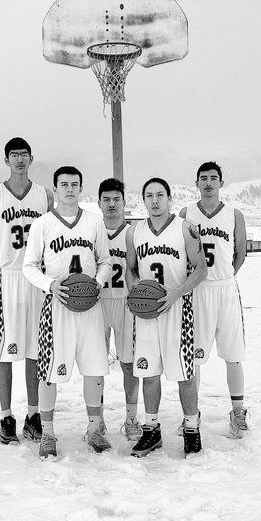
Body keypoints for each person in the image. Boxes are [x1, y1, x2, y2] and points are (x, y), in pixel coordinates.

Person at [22, 166, 112, 458]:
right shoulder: (43, 224)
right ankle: (47, 434)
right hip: (57, 306)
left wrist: (97, 283)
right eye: (64, 184)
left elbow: (105, 262)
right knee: (49, 372)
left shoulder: (95, 222)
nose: (70, 189)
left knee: (94, 370)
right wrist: (51, 285)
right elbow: (29, 266)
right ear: (56, 189)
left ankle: (94, 428)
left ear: (81, 188)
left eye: (75, 184)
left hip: (90, 306)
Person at [125, 177, 207, 457]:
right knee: (148, 374)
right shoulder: (134, 232)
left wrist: (176, 293)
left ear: (169, 198)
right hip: (146, 315)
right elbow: (131, 269)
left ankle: (192, 429)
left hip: (177, 309)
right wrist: (134, 289)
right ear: (143, 200)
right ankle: (151, 430)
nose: (155, 200)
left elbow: (200, 270)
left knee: (184, 375)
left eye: (160, 195)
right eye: (149, 196)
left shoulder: (185, 229)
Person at [0, 137, 54, 445]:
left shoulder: (44, 195)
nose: (20, 159)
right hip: (8, 276)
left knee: (36, 350)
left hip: (37, 277)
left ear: (32, 158)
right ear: (7, 160)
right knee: (6, 350)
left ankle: (33, 415)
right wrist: (0, 266)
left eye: (24, 154)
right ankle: (6, 416)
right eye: (14, 155)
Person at [179, 161, 248, 438]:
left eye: (213, 178)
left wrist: (225, 276)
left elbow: (240, 254)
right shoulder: (186, 214)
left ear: (221, 182)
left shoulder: (235, 214)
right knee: (193, 358)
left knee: (233, 355)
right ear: (196, 183)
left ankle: (239, 411)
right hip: (198, 290)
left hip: (226, 289)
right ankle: (191, 416)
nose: (208, 183)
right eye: (203, 178)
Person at [97, 178, 143, 441]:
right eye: (107, 199)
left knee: (129, 365)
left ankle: (131, 418)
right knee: (97, 365)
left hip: (126, 303)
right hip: (98, 302)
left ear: (124, 202)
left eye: (117, 199)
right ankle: (98, 419)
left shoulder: (133, 233)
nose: (112, 204)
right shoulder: (93, 230)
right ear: (99, 202)